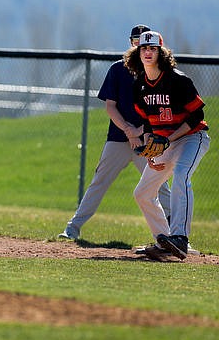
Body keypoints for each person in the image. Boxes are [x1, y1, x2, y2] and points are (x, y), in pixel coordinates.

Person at [58, 25, 172, 241]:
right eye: (137, 41)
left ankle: (177, 234)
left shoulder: (159, 73)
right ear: (131, 43)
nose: (141, 45)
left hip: (147, 140)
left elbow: (161, 108)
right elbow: (110, 105)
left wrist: (139, 131)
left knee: (160, 185)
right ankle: (73, 228)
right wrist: (129, 130)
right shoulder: (118, 69)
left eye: (146, 43)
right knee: (99, 181)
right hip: (119, 138)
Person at [125, 31, 210, 261]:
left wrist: (167, 141)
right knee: (142, 193)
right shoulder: (139, 86)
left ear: (161, 53)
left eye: (153, 49)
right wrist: (151, 151)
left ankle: (180, 238)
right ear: (137, 54)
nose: (148, 52)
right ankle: (164, 240)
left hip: (192, 138)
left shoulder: (177, 80)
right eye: (144, 49)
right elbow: (147, 122)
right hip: (164, 145)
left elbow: (197, 116)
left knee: (181, 175)